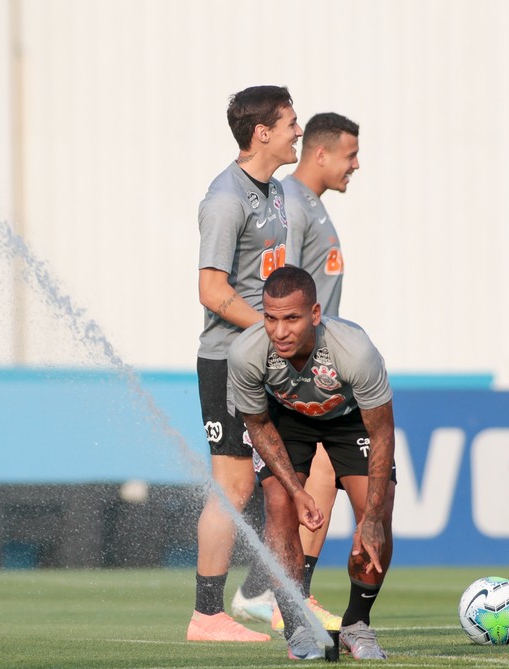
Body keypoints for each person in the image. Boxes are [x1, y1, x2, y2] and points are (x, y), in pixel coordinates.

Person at [227, 265, 395, 660]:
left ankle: (357, 625)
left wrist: (370, 518)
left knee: (378, 510)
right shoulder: (246, 354)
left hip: (349, 419)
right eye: (271, 318)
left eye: (292, 318)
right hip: (286, 419)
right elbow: (259, 426)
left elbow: (382, 434)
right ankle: (297, 628)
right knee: (279, 504)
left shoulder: (354, 350)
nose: (280, 331)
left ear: (315, 314)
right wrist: (297, 490)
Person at [186, 85, 302, 643]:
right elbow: (212, 291)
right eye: (290, 123)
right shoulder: (225, 199)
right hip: (230, 363)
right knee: (232, 487)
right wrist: (271, 329)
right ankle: (207, 615)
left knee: (294, 473)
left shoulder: (273, 191)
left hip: (267, 360)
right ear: (263, 132)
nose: (297, 131)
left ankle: (275, 596)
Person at [268, 112, 361, 634]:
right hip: (299, 365)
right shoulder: (292, 203)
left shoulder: (311, 205)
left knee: (314, 473)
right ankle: (287, 595)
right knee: (312, 471)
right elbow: (280, 288)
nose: (356, 165)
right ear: (321, 154)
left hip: (319, 361)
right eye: (350, 154)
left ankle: (271, 591)